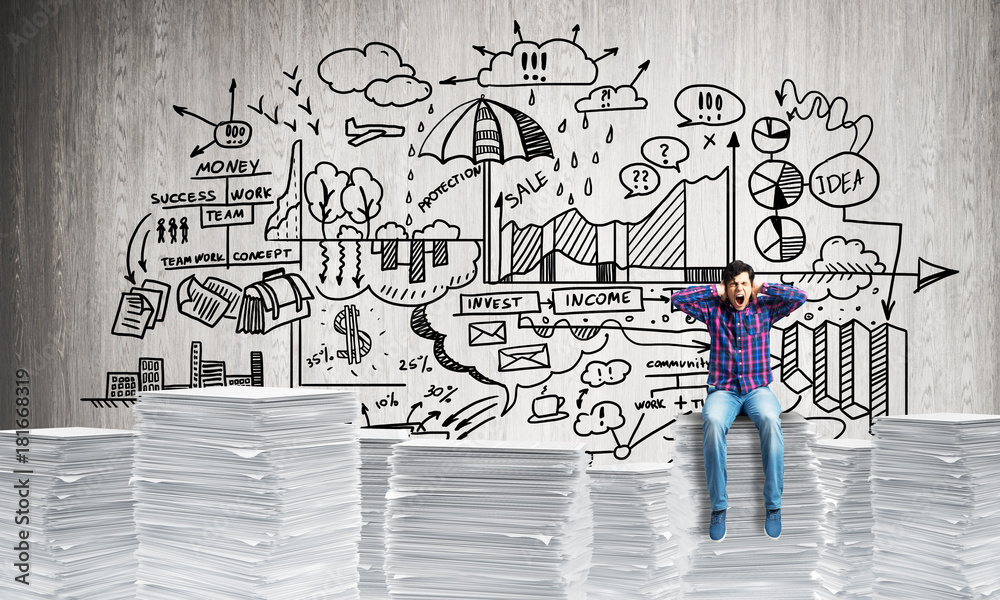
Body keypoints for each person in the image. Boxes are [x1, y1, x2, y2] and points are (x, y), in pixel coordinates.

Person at [671, 260, 807, 542]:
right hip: (723, 390)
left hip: (758, 389)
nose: (739, 288)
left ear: (751, 286)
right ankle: (719, 507)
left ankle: (773, 505)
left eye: (744, 283)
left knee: (771, 419)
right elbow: (677, 299)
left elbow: (800, 297)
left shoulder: (764, 309)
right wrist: (715, 289)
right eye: (733, 284)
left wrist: (762, 286)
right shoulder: (714, 310)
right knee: (713, 420)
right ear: (726, 288)